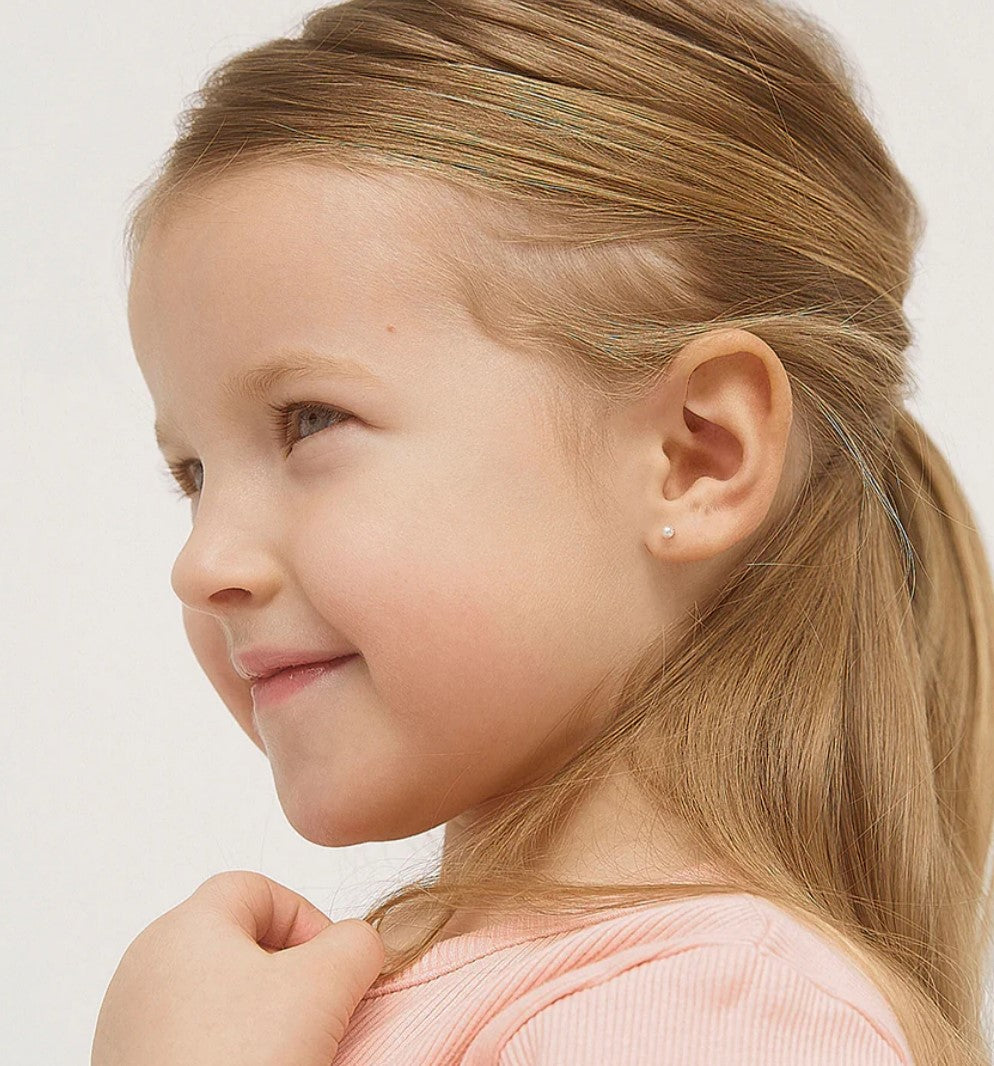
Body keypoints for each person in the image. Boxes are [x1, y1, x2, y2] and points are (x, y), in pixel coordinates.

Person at [119, 1, 994, 1063]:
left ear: (697, 455)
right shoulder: (486, 1000)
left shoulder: (704, 1017)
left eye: (310, 421)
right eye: (192, 474)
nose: (202, 562)